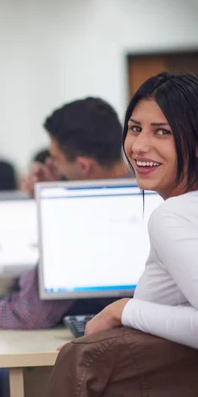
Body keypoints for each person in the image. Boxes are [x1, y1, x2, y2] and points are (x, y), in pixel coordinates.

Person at [0, 97, 130, 397]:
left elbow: (31, 313)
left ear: (83, 165)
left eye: (56, 159)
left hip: (88, 372)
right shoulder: (148, 194)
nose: (51, 166)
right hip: (125, 366)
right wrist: (51, 197)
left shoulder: (83, 217)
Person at [49, 73, 198, 396]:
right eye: (134, 128)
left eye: (162, 132)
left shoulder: (171, 217)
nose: (139, 146)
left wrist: (123, 310)